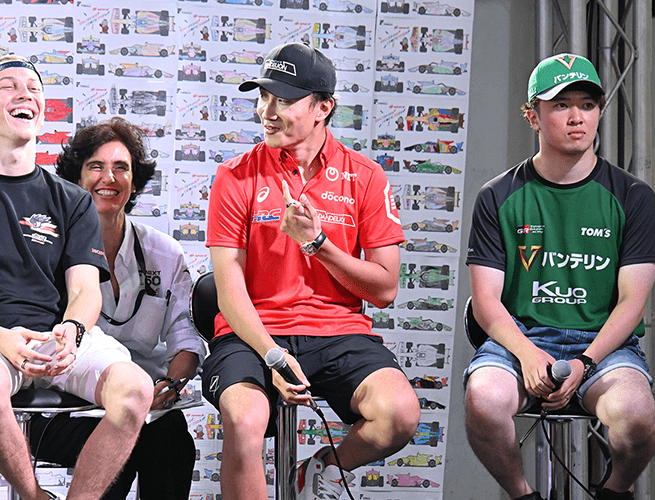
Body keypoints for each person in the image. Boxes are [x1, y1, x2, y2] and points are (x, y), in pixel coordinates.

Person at [0, 55, 154, 500]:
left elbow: (84, 290)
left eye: (34, 88)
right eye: (8, 86)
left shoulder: (73, 200)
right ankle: (35, 497)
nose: (25, 94)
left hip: (55, 338)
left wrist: (73, 331)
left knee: (135, 390)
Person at [201, 42, 420, 500]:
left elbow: (384, 289)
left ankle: (321, 470)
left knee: (399, 413)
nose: (267, 111)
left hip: (338, 332)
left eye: (283, 100)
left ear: (323, 108)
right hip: (252, 333)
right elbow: (229, 292)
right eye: (263, 97)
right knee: (244, 421)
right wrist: (273, 356)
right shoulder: (234, 176)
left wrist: (318, 245)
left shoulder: (365, 176)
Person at [464, 53, 655, 500]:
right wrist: (528, 354)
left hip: (604, 348)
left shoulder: (634, 196)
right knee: (484, 400)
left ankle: (614, 491)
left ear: (599, 112)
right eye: (561, 105)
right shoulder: (498, 195)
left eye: (587, 105)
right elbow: (486, 302)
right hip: (520, 340)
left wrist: (586, 361)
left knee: (637, 415)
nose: (576, 117)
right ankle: (523, 494)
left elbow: (633, 302)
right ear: (533, 116)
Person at [30, 117, 206, 500]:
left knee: (171, 438)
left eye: (121, 167)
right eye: (95, 166)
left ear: (135, 181)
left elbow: (186, 340)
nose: (108, 178)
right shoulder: (44, 252)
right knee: (125, 439)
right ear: (76, 179)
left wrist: (170, 385)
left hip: (149, 404)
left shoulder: (165, 253)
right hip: (63, 408)